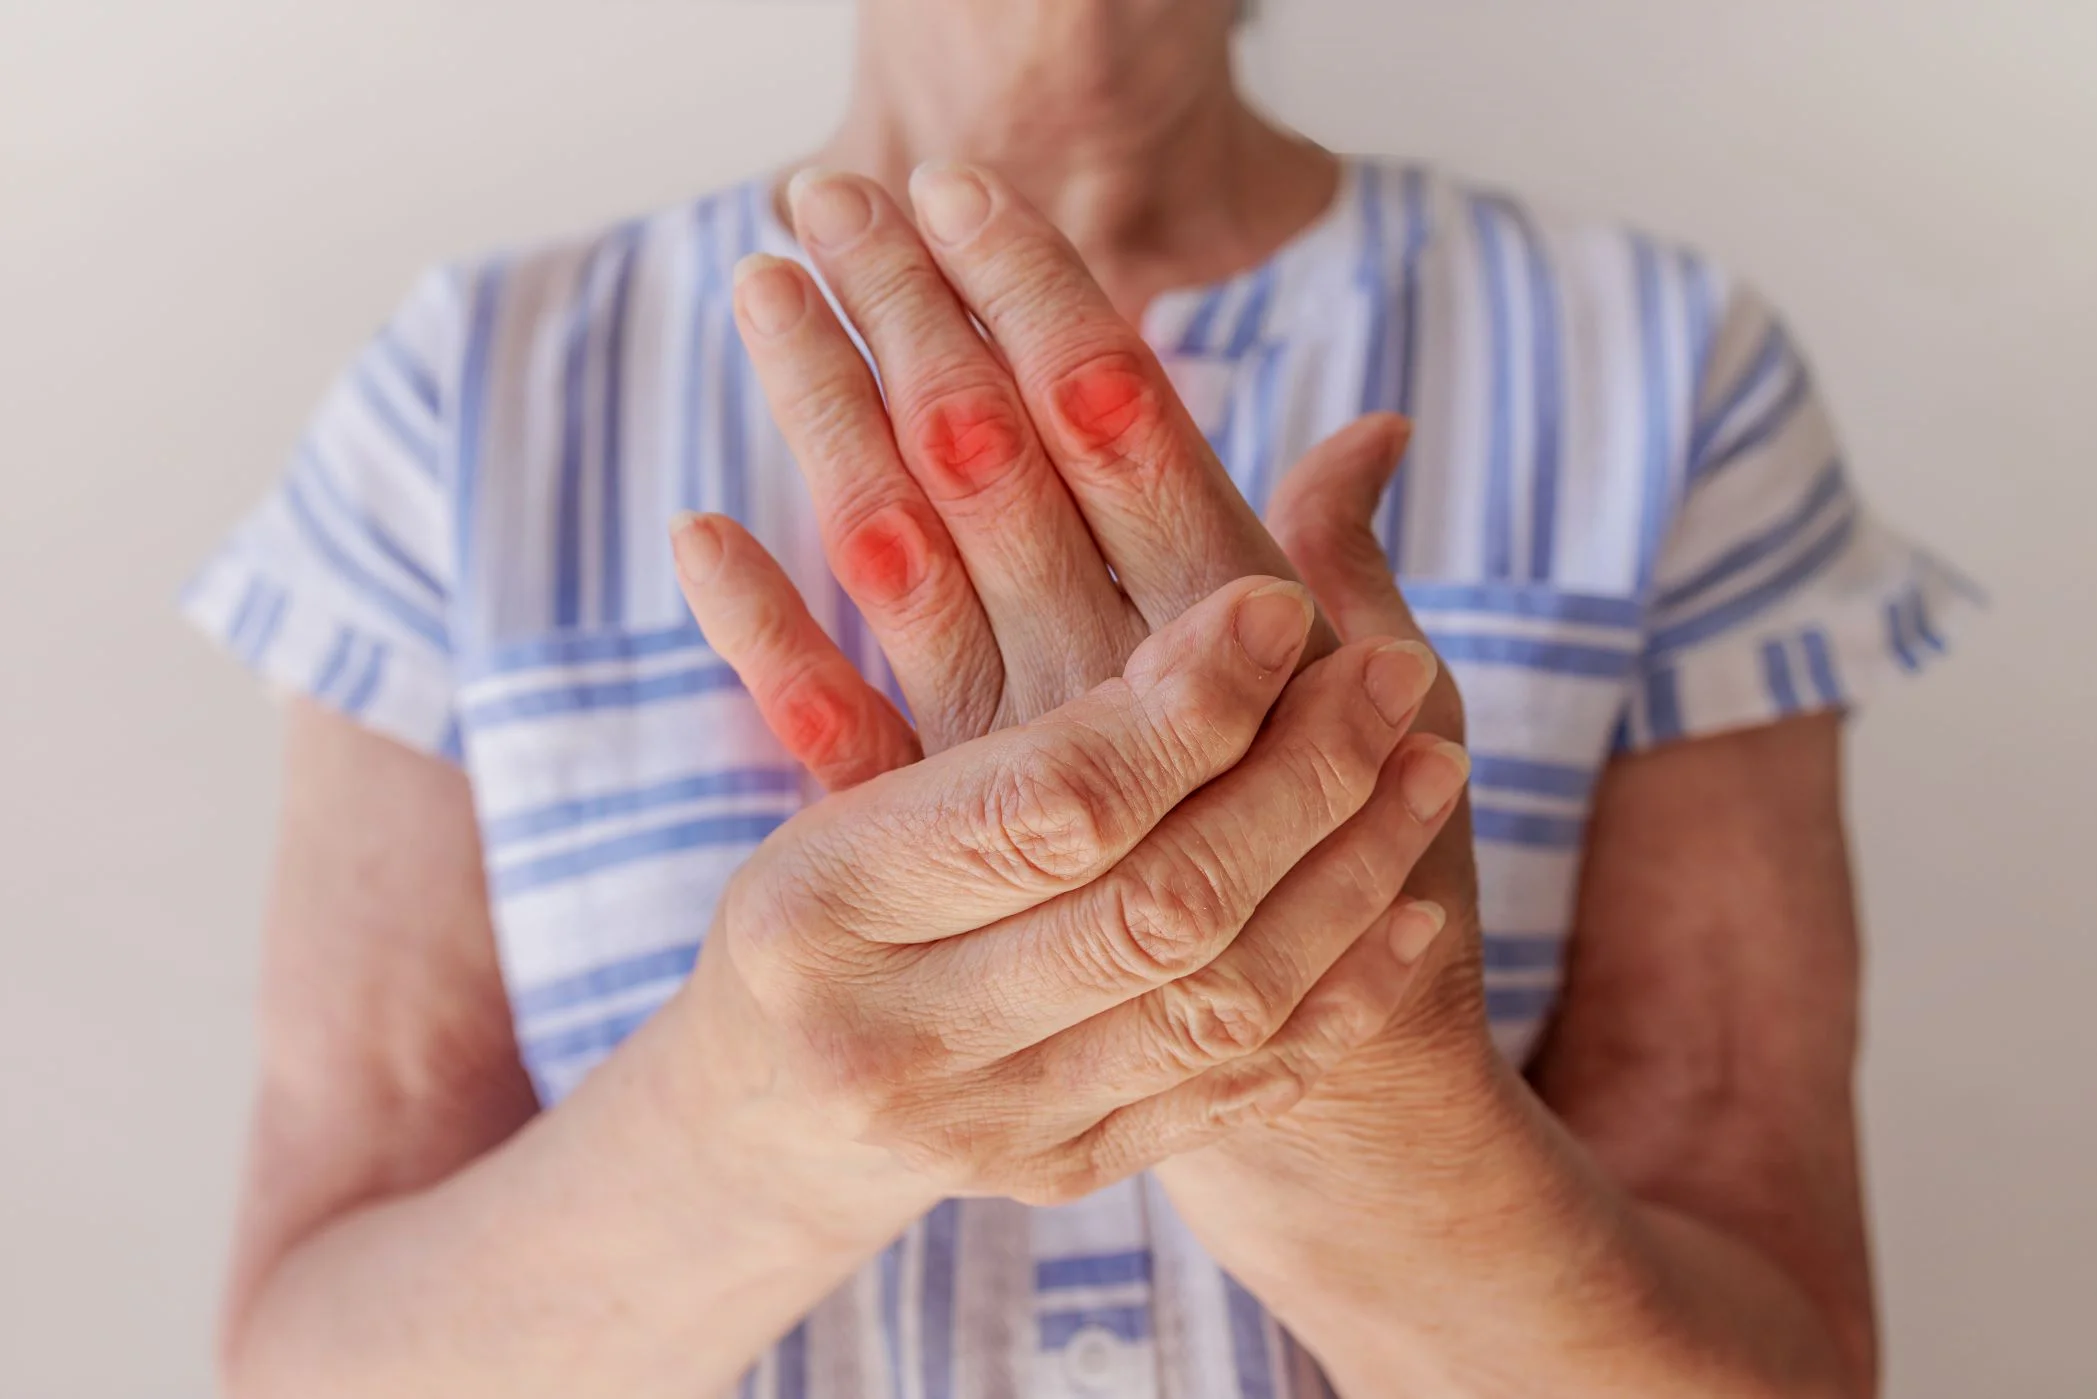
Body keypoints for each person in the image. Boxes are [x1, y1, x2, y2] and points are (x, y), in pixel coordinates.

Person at [182, 1, 1972, 1395]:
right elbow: (311, 1353)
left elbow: (1780, 1360)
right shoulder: (471, 402)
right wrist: (772, 1104)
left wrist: (1351, 1067)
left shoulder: (1663, 374)